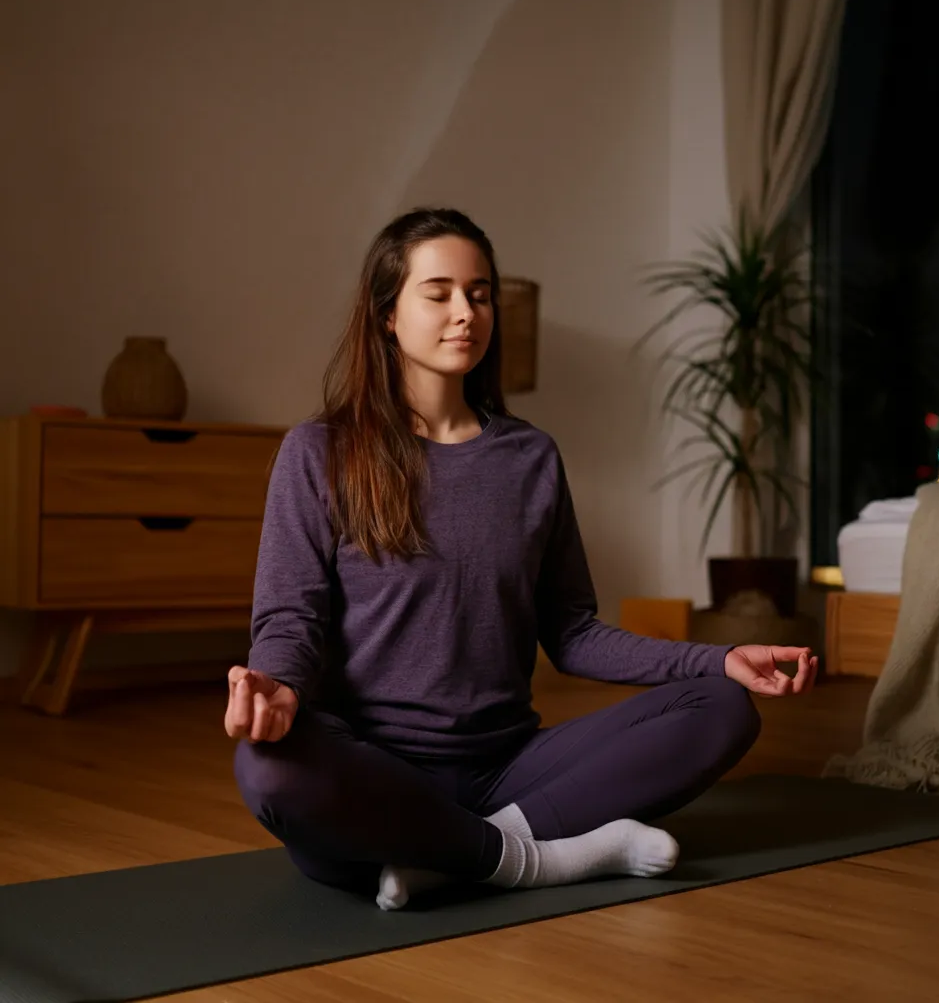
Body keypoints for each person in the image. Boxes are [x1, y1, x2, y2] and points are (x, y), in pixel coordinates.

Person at [226, 207, 818, 911]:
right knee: (269, 770)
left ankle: (454, 856)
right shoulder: (318, 451)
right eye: (438, 292)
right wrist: (281, 687)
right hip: (374, 770)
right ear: (387, 314)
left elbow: (571, 634)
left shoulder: (529, 457)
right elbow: (292, 618)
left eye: (479, 295)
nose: (465, 313)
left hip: (508, 770)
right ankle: (536, 858)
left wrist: (716, 660)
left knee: (723, 708)